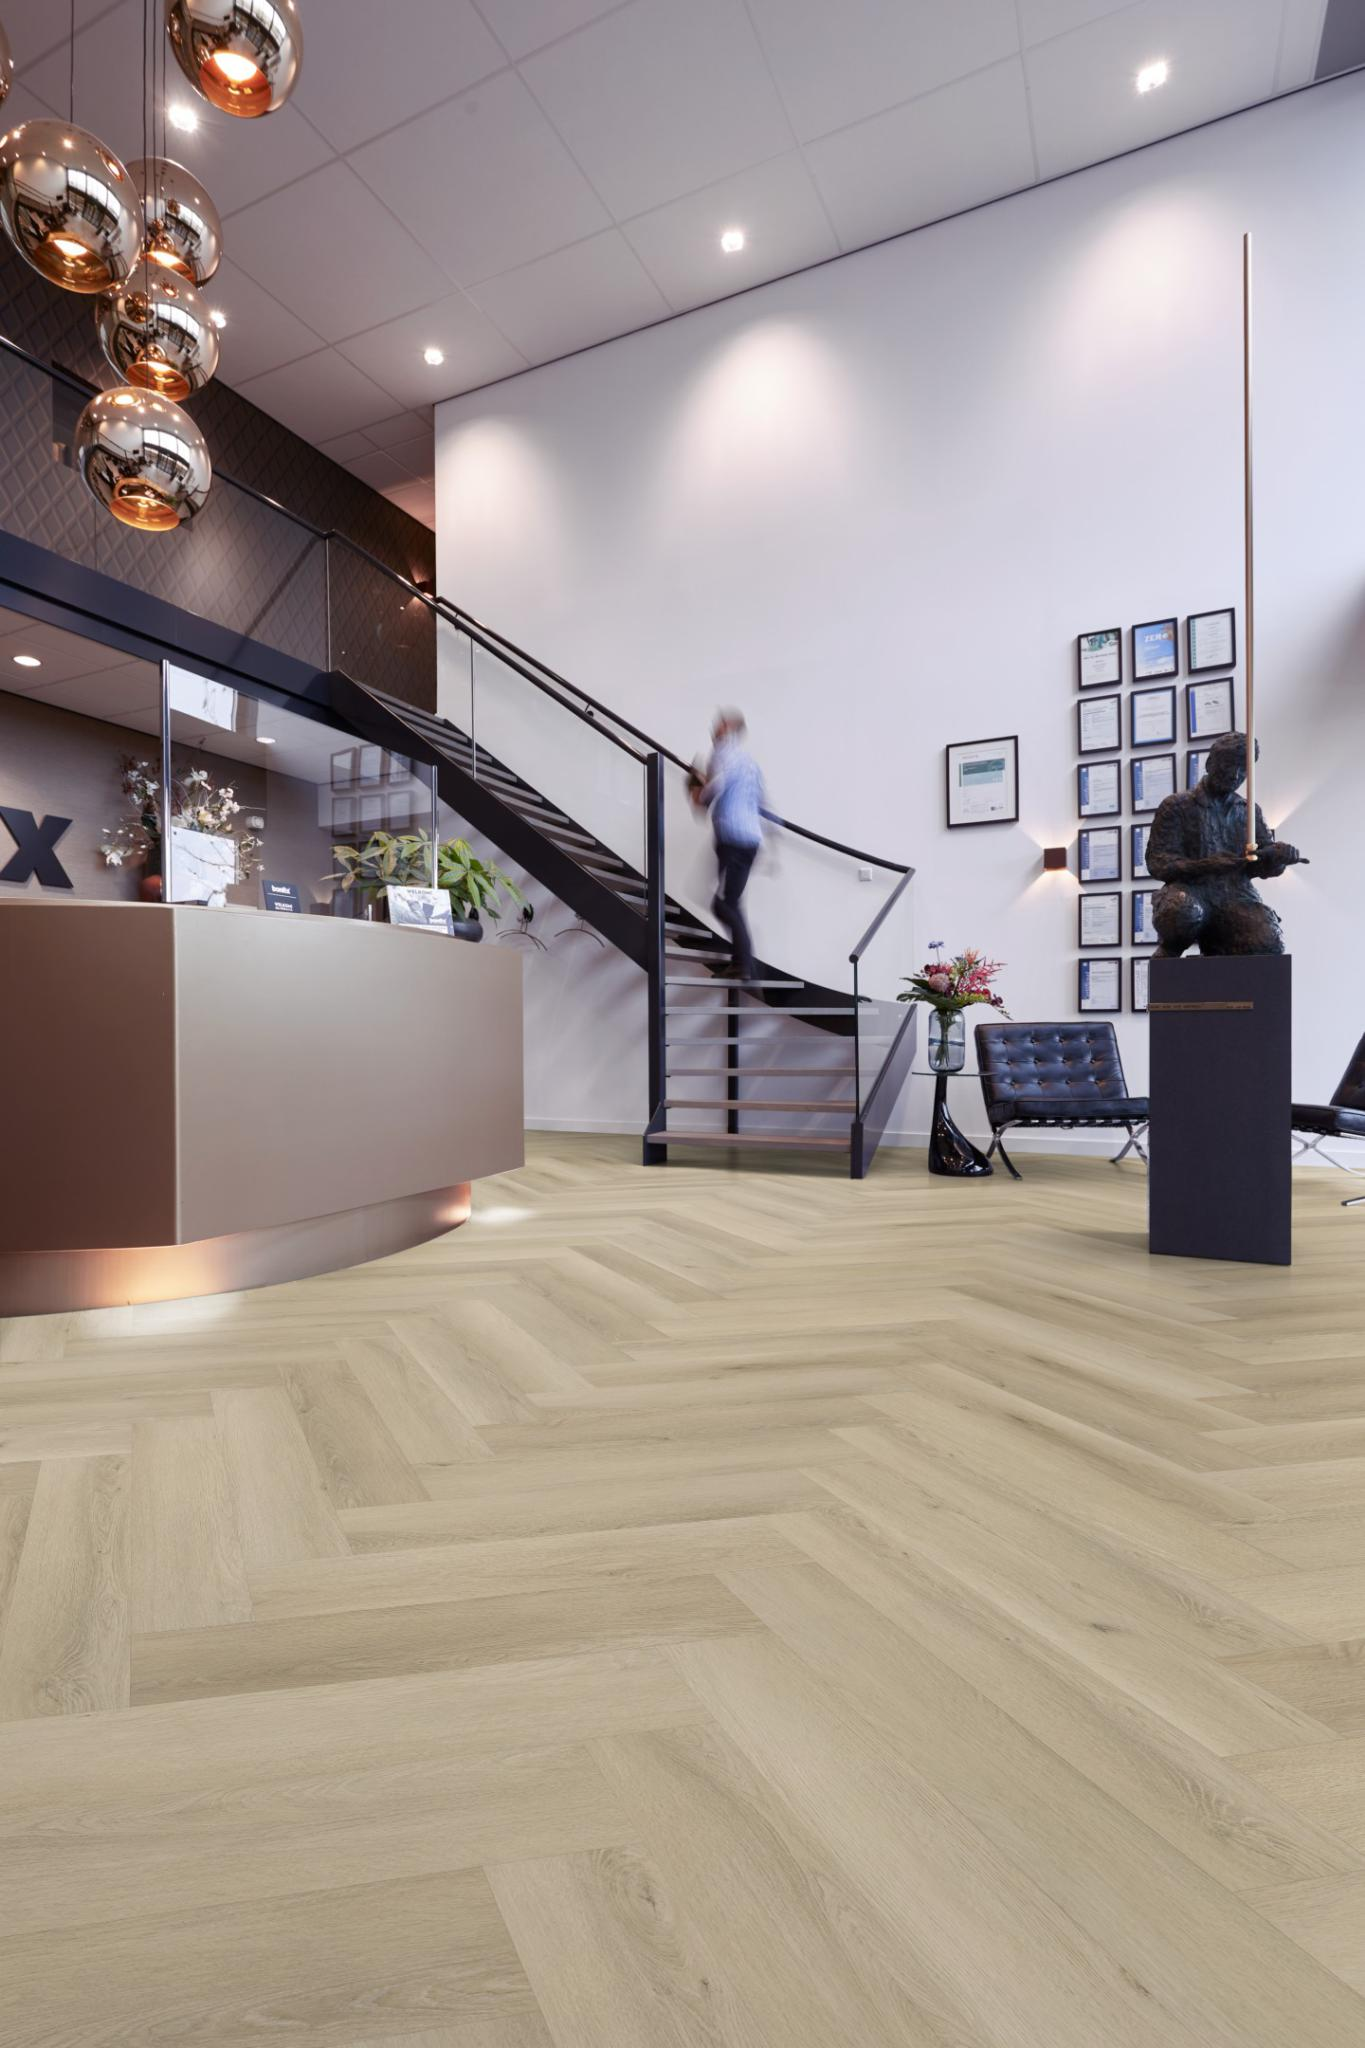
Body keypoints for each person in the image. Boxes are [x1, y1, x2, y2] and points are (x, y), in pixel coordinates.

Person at [1146, 731, 1305, 957]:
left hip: (1235, 897)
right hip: (1191, 892)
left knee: (1268, 941)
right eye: (1229, 765)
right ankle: (1170, 953)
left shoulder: (1248, 811)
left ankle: (1218, 945)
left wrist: (1278, 858)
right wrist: (1205, 865)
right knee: (1182, 912)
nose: (1235, 775)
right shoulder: (1177, 806)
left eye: (1243, 770)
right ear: (1210, 763)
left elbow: (1260, 866)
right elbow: (1158, 863)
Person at [691, 708, 765, 983]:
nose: (714, 727)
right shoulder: (749, 761)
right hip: (751, 839)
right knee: (730, 902)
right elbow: (761, 801)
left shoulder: (722, 751)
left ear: (729, 729)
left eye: (719, 724)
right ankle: (742, 965)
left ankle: (745, 964)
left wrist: (699, 793)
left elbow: (718, 784)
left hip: (732, 836)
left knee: (723, 904)